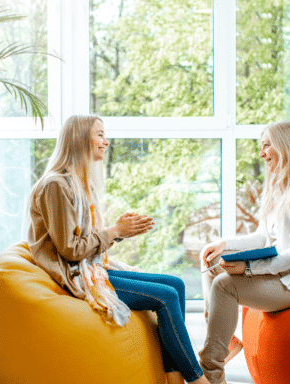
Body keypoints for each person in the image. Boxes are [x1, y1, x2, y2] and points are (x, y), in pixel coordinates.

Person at [27, 114, 212, 384]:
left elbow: (86, 244)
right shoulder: (56, 185)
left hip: (90, 267)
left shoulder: (78, 184)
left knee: (177, 285)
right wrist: (115, 231)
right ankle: (197, 380)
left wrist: (120, 232)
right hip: (76, 275)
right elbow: (71, 251)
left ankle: (174, 378)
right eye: (100, 134)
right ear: (80, 140)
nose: (106, 141)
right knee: (166, 297)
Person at [197, 120, 290, 384]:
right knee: (211, 265)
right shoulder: (281, 185)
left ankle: (210, 370)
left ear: (286, 147)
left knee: (224, 285)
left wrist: (249, 268)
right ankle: (225, 340)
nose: (262, 153)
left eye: (267, 145)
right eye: (261, 146)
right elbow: (263, 238)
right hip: (286, 271)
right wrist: (225, 245)